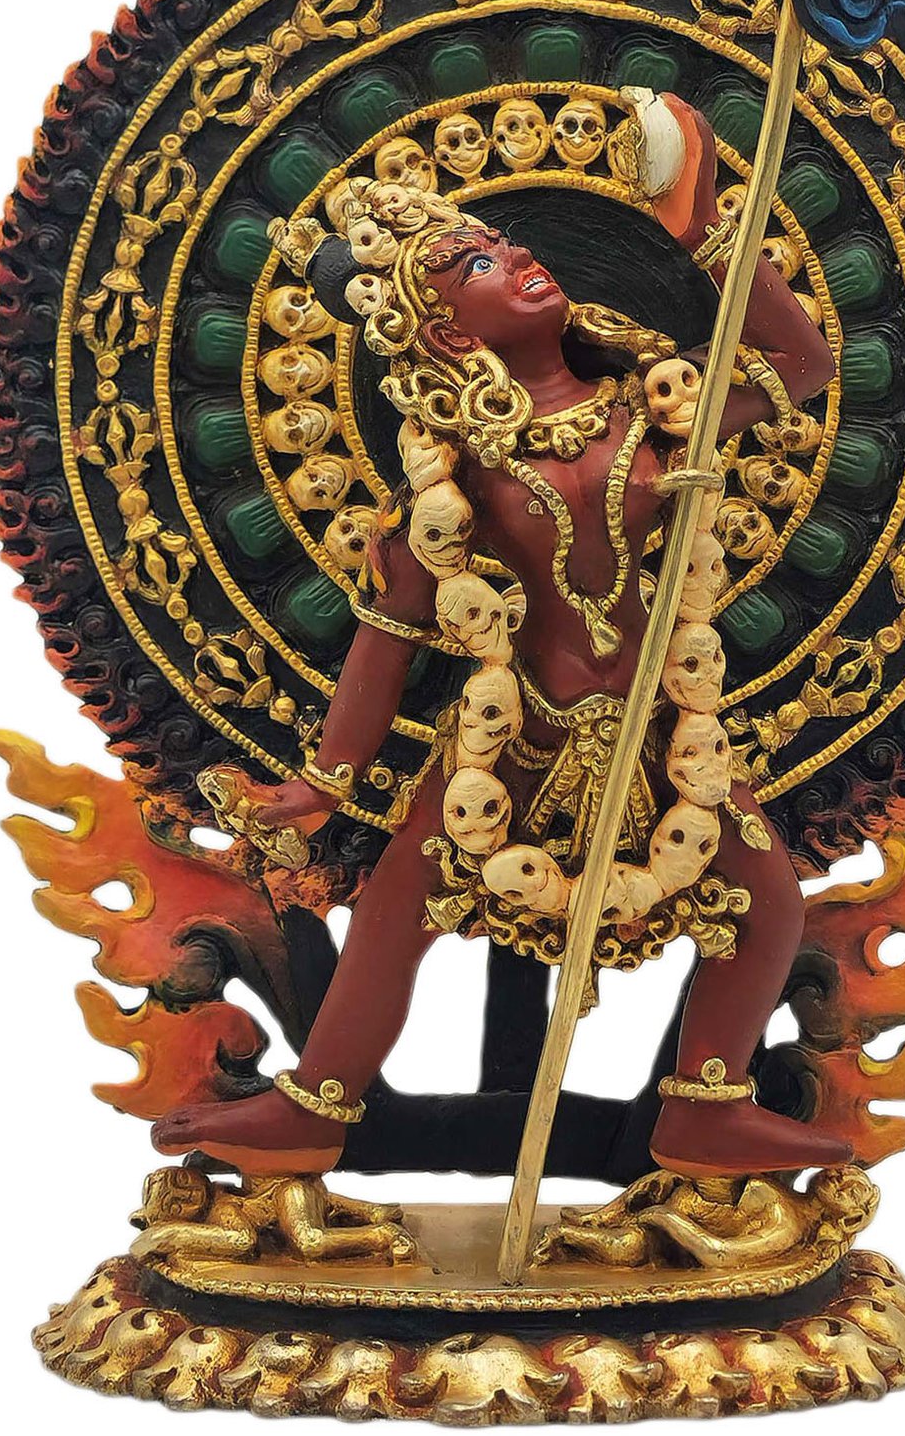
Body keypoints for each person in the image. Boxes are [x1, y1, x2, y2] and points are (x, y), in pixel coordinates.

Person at [153, 95, 850, 1181]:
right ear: (448, 334)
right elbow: (391, 630)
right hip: (515, 735)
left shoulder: (648, 413)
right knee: (396, 909)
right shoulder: (458, 475)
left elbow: (801, 366)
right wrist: (326, 781)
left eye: (507, 242)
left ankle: (703, 1106)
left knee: (768, 906)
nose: (518, 256)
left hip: (661, 734)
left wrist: (706, 229)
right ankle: (316, 1106)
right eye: (478, 263)